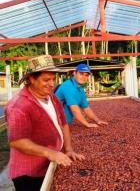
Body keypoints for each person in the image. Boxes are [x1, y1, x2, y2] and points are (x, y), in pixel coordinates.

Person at [5, 55, 85, 191]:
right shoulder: (19, 106)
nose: (52, 84)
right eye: (46, 80)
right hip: (29, 173)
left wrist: (68, 149)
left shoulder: (52, 97)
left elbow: (63, 123)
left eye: (53, 79)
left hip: (49, 164)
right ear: (31, 79)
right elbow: (17, 141)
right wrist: (50, 153)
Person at [55, 63, 107, 128]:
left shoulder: (80, 89)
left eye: (86, 75)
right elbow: (74, 109)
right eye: (81, 74)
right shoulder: (68, 86)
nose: (83, 77)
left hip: (63, 125)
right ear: (74, 73)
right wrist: (87, 124)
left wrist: (97, 120)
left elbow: (86, 108)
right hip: (54, 125)